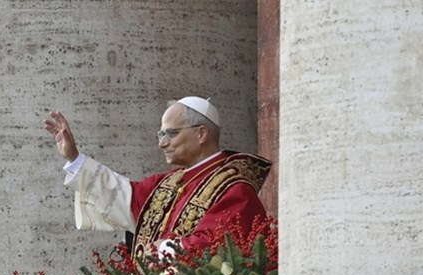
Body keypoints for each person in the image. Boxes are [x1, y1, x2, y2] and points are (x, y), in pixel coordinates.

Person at [43, 97, 271, 262]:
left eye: (171, 133)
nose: (162, 143)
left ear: (201, 134)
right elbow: (120, 197)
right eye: (161, 134)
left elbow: (222, 246)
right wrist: (74, 158)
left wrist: (163, 250)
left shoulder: (235, 188)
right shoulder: (167, 183)